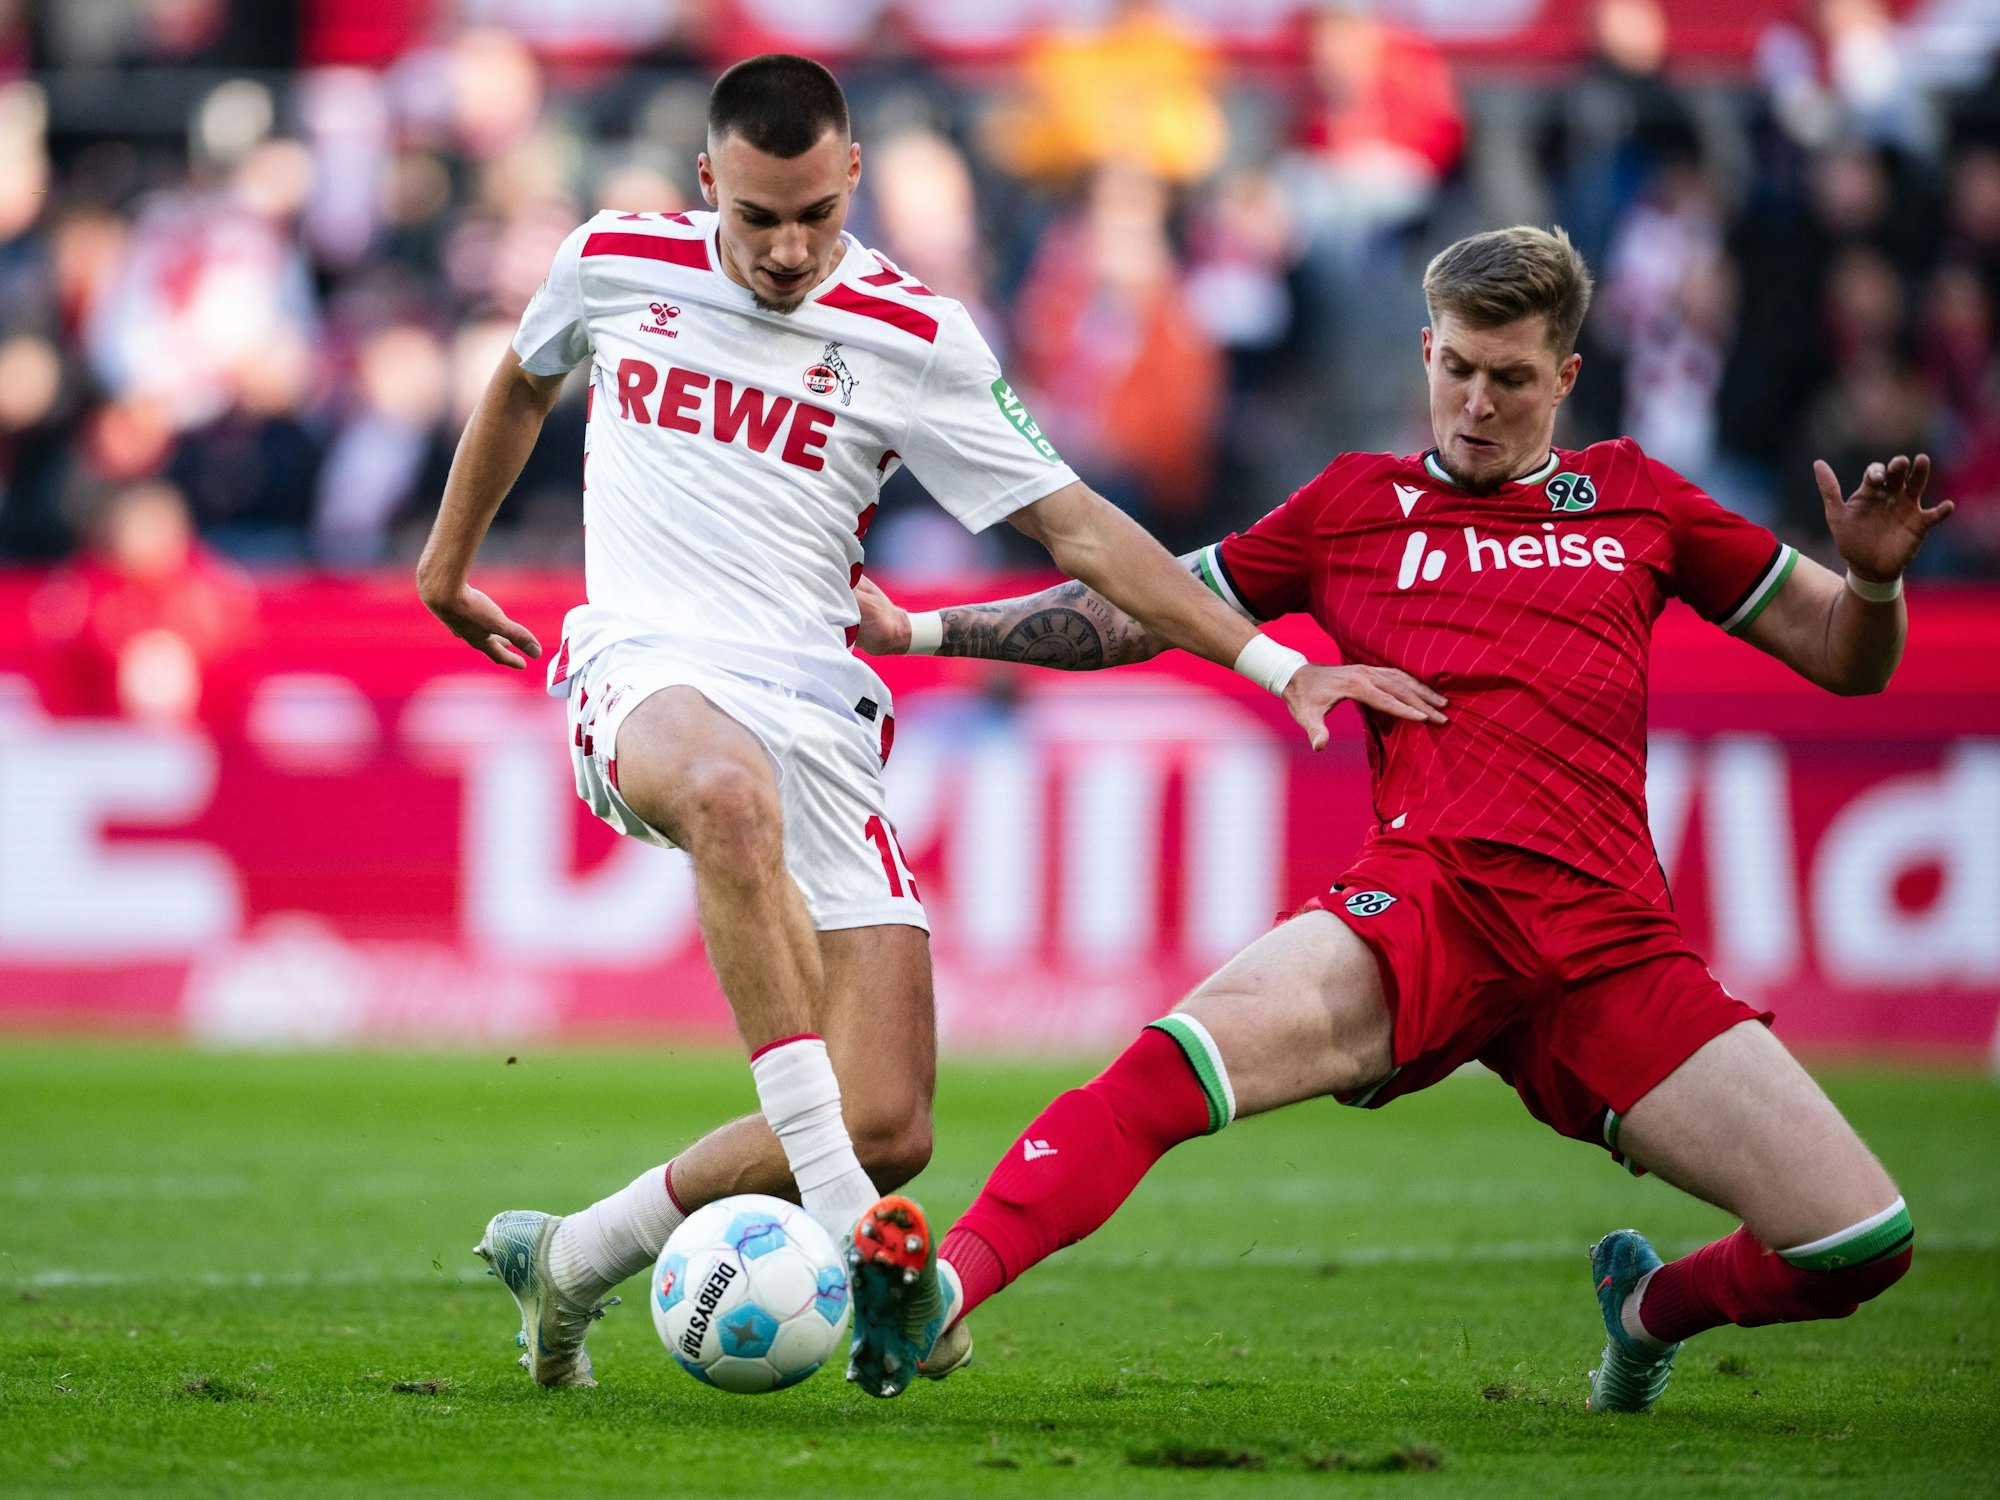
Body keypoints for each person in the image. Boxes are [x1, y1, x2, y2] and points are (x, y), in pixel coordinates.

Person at [842, 225, 1948, 1409]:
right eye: (1456, 368)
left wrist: (1874, 582)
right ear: (1425, 350)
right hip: (1427, 903)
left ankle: (1643, 1311)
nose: (1474, 404)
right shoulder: (1351, 510)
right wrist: (922, 631)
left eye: (1510, 379)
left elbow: (1845, 659)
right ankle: (937, 1298)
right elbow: (1137, 612)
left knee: (1855, 1244)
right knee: (1173, 1065)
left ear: (1564, 378)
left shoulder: (1638, 501)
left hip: (1606, 943)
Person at [415, 54, 1373, 1389]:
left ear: (853, 178)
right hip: (645, 668)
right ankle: (861, 1241)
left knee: (887, 1120)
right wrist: (443, 564)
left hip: (819, 712)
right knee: (728, 802)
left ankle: (572, 1258)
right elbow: (522, 382)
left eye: (816, 213)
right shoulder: (616, 258)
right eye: (759, 218)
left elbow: (1079, 526)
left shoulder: (916, 336)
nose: (791, 248)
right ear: (707, 188)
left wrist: (1272, 665)